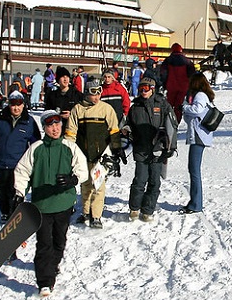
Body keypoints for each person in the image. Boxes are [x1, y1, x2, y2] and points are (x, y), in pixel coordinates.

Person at [14, 109, 89, 296]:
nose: (55, 129)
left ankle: (53, 264)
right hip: (42, 204)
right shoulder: (36, 148)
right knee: (44, 243)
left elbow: (83, 168)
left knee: (59, 240)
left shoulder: (69, 146)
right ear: (44, 127)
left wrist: (73, 179)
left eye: (57, 124)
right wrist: (19, 192)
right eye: (50, 125)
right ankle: (45, 281)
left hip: (64, 203)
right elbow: (22, 171)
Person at [65, 78, 123, 229]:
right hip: (83, 154)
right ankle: (85, 212)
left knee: (99, 185)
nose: (97, 97)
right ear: (86, 93)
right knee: (85, 184)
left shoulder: (106, 109)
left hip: (101, 155)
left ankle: (96, 215)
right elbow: (71, 133)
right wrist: (68, 152)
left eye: (99, 93)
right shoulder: (77, 109)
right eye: (93, 93)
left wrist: (116, 148)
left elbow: (114, 130)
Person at [0, 90, 41, 223]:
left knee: (16, 192)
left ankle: (14, 215)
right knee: (3, 191)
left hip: (19, 164)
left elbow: (36, 143)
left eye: (19, 105)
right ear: (8, 104)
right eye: (13, 105)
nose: (16, 108)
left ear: (23, 105)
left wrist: (37, 159)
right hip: (0, 161)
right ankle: (5, 213)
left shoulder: (29, 122)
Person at [122, 77, 178, 222]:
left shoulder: (162, 105)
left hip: (157, 150)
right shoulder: (135, 107)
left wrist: (170, 147)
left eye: (146, 88)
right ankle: (134, 208)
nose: (143, 91)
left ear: (152, 89)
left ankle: (147, 210)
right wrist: (127, 130)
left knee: (154, 182)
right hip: (141, 148)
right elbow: (129, 123)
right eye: (141, 89)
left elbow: (172, 125)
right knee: (140, 180)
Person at [180, 73, 216, 214]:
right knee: (194, 170)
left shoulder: (200, 95)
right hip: (199, 135)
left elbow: (197, 110)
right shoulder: (203, 95)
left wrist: (184, 107)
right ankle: (195, 202)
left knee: (194, 170)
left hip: (199, 135)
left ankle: (196, 204)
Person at [160, 43, 196, 122]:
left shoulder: (167, 61)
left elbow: (163, 74)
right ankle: (176, 121)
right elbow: (192, 74)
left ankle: (168, 121)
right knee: (179, 106)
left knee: (169, 105)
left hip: (171, 86)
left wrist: (164, 84)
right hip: (183, 87)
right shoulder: (187, 61)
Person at [44, 66, 84, 133]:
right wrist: (58, 116)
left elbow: (84, 113)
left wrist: (71, 115)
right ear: (58, 80)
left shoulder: (77, 95)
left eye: (67, 77)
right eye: (62, 77)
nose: (65, 79)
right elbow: (47, 114)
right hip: (57, 131)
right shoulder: (52, 96)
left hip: (74, 131)